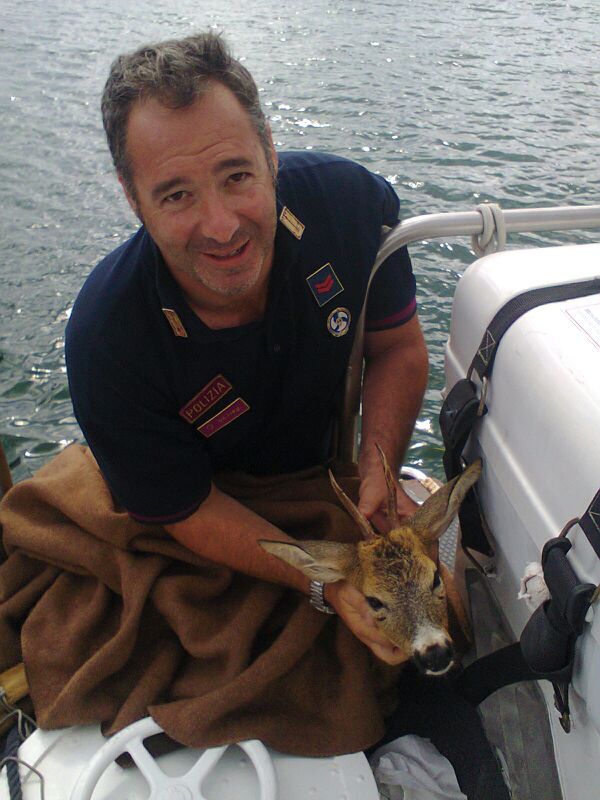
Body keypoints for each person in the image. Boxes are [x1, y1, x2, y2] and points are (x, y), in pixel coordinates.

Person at [65, 31, 428, 666]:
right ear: (132, 195)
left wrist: (379, 464)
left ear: (270, 152)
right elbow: (185, 506)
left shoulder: (350, 204)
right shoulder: (107, 341)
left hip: (331, 472)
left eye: (236, 176)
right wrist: (323, 583)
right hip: (207, 499)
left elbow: (396, 346)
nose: (222, 226)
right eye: (177, 194)